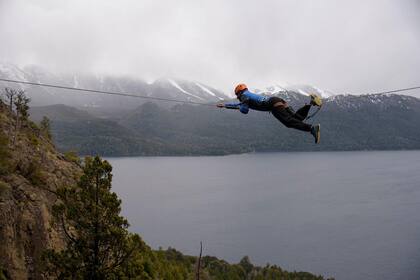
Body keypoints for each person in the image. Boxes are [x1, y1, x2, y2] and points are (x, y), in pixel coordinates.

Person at [217, 83, 322, 143]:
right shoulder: (247, 94)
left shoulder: (244, 96)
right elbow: (240, 105)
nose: (237, 98)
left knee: (288, 122)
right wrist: (225, 106)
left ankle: (312, 128)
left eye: (237, 95)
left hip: (272, 105)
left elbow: (244, 110)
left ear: (239, 92)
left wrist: (239, 108)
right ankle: (310, 103)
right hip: (277, 101)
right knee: (296, 118)